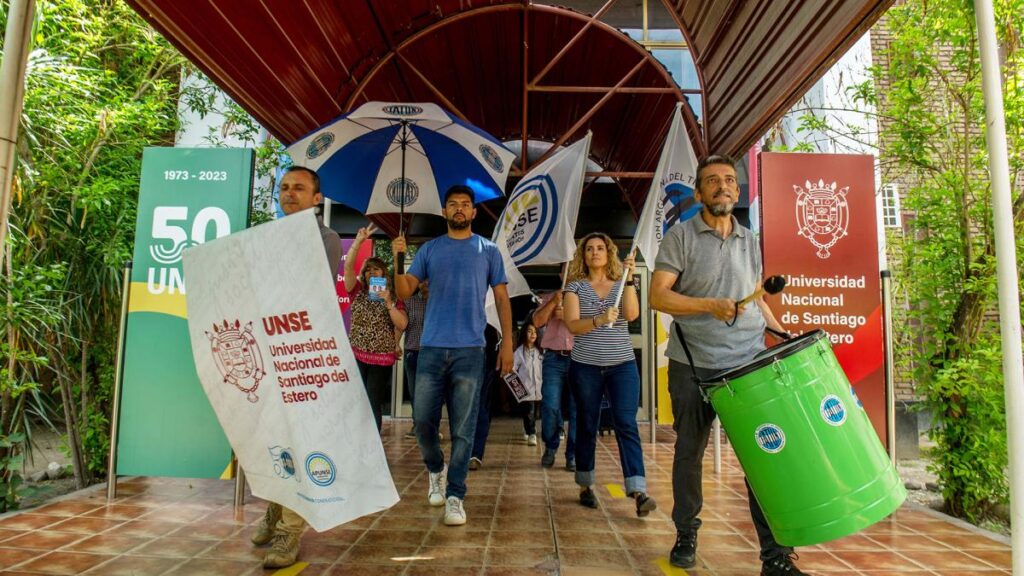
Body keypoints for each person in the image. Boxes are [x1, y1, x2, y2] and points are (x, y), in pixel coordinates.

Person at [649, 154, 806, 576]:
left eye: (730, 180)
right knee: (689, 453)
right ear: (698, 193)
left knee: (763, 458)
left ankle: (775, 556)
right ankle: (686, 533)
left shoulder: (750, 240)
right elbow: (658, 296)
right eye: (712, 181)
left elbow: (754, 295)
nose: (723, 186)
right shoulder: (679, 238)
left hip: (748, 366)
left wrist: (780, 331)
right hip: (693, 365)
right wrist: (708, 305)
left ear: (738, 191)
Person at [393, 184, 514, 526]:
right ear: (444, 212)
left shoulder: (488, 250)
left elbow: (503, 300)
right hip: (430, 347)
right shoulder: (430, 250)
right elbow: (405, 290)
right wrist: (400, 257)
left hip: (471, 350)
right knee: (422, 423)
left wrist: (507, 343)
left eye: (465, 204)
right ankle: (436, 469)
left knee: (464, 429)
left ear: (474, 212)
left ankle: (456, 494)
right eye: (453, 204)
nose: (459, 209)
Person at [251, 166, 341, 569]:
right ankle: (276, 504)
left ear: (316, 198)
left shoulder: (326, 239)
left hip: (303, 354)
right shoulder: (265, 238)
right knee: (274, 437)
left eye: (299, 188)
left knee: (302, 439)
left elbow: (303, 288)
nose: (290, 194)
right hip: (268, 348)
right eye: (285, 188)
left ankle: (291, 528)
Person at [562, 232, 656, 517]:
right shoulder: (574, 288)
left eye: (600, 248)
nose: (595, 253)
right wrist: (599, 320)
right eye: (589, 249)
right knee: (587, 424)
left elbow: (632, 313)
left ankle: (638, 490)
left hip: (622, 366)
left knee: (626, 423)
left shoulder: (620, 283)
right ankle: (585, 484)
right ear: (583, 255)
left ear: (609, 252)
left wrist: (628, 280)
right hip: (586, 367)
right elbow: (572, 326)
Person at [343, 223, 408, 431]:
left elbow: (402, 324)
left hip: (381, 357)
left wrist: (388, 303)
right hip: (357, 352)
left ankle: (373, 444)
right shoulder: (357, 291)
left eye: (376, 269)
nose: (372, 273)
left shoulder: (393, 295)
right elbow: (347, 268)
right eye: (368, 270)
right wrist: (358, 243)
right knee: (356, 399)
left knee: (372, 399)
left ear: (384, 273)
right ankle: (357, 439)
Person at [533, 285, 577, 470]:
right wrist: (554, 301)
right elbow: (537, 321)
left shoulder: (587, 295)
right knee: (550, 405)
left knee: (578, 410)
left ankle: (573, 455)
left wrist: (568, 315)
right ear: (562, 274)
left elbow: (595, 324)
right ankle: (550, 446)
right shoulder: (550, 296)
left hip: (579, 356)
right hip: (553, 358)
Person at [402, 280, 428, 439]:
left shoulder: (440, 303)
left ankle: (431, 427)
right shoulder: (409, 302)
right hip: (412, 352)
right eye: (423, 280)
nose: (426, 283)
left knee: (431, 393)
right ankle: (417, 425)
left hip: (432, 354)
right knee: (414, 393)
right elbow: (401, 325)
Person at [513, 324, 543, 446]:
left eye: (535, 332)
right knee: (529, 411)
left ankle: (528, 428)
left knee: (536, 413)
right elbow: (512, 369)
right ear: (524, 333)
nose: (533, 334)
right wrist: (518, 388)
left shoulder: (540, 351)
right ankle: (532, 433)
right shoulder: (519, 352)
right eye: (529, 331)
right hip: (526, 388)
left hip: (539, 388)